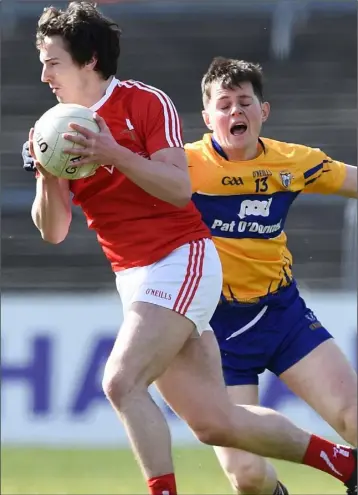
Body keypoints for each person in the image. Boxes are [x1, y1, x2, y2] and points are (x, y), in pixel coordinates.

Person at [22, 4, 357, 495]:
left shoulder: (143, 102)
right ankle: (346, 465)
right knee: (215, 423)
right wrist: (47, 178)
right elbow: (53, 231)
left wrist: (112, 152)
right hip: (135, 276)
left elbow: (179, 190)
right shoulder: (49, 130)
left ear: (89, 59)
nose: (45, 74)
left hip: (181, 257)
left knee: (120, 383)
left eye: (53, 61)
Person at [185, 56, 358, 495]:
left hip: (282, 316)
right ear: (208, 118)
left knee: (353, 416)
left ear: (264, 111)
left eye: (245, 102)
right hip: (215, 332)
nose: (235, 112)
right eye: (223, 105)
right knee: (247, 477)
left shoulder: (294, 162)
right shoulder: (184, 166)